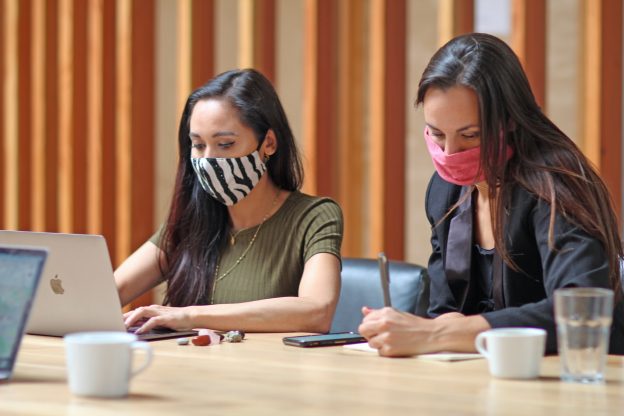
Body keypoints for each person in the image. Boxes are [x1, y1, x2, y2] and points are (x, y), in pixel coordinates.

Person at [359, 33, 624, 356]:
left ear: (510, 121)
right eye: (437, 134)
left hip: (568, 370)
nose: (450, 153)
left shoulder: (556, 185)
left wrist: (437, 332)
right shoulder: (444, 191)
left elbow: (580, 309)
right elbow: (443, 311)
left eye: (470, 135)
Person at [115, 69, 343, 334]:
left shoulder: (314, 216)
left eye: (225, 144)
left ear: (268, 143)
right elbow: (113, 290)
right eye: (198, 145)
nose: (208, 160)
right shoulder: (192, 222)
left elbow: (317, 311)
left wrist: (188, 315)